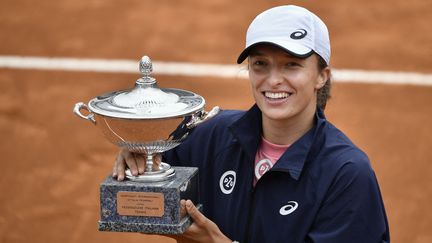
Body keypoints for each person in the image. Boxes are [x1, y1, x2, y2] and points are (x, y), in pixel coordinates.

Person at [113, 5, 390, 243]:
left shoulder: (347, 174)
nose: (273, 80)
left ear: (321, 76)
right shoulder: (210, 136)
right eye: (260, 64)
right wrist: (140, 154)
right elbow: (137, 195)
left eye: (291, 65)